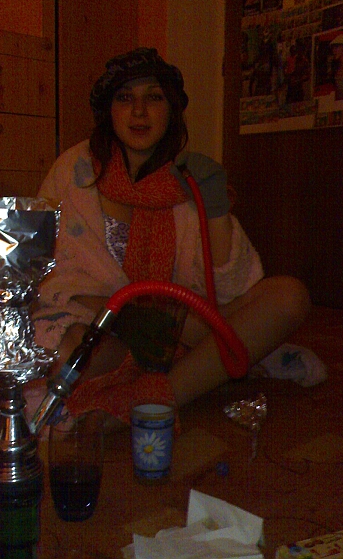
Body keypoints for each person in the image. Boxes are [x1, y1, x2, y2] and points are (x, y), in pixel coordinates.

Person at [29, 47, 326, 426]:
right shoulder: (75, 169)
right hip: (102, 324)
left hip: (179, 327)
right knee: (67, 357)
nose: (139, 111)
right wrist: (122, 314)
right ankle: (208, 369)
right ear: (109, 110)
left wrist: (216, 210)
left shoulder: (186, 179)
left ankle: (154, 399)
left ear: (171, 110)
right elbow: (43, 269)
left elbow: (229, 288)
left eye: (153, 97)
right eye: (125, 98)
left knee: (288, 297)